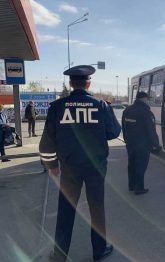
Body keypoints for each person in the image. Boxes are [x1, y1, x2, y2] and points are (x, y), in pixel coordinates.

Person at [39, 65, 121, 262]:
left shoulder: (58, 107)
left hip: (69, 168)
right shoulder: (101, 106)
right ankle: (99, 251)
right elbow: (114, 132)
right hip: (95, 167)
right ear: (88, 83)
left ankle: (59, 255)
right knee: (97, 210)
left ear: (70, 84)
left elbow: (47, 142)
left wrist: (52, 165)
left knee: (66, 211)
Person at [122, 91, 161, 195]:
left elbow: (124, 127)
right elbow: (151, 130)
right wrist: (156, 145)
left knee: (132, 164)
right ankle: (139, 188)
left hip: (130, 143)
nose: (148, 101)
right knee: (141, 166)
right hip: (142, 144)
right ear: (144, 99)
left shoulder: (127, 110)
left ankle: (131, 185)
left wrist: (126, 140)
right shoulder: (145, 112)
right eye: (148, 99)